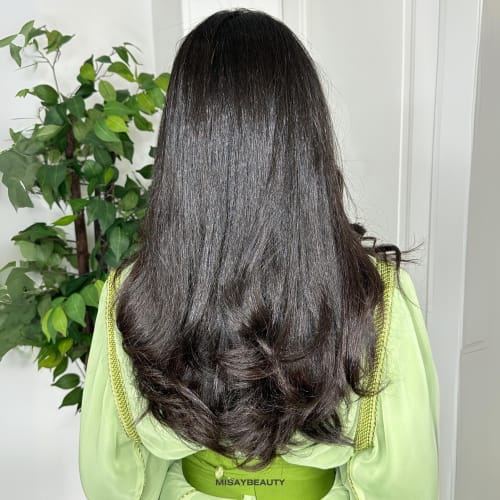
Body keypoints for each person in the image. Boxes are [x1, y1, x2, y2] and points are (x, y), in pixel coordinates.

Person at [79, 8, 439, 500]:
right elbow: (404, 481)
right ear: (306, 136)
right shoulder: (375, 294)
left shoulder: (133, 293)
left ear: (183, 143)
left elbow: (115, 478)